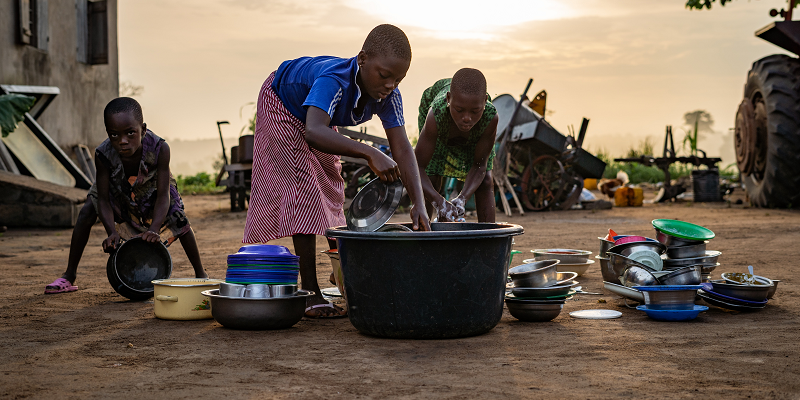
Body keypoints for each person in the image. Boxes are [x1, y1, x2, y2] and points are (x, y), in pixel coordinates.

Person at [243, 24, 431, 318]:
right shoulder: (334, 80)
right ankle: (309, 292)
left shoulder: (389, 96)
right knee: (303, 190)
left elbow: (403, 148)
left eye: (399, 79)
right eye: (384, 75)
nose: (390, 85)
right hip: (282, 103)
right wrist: (370, 153)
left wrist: (419, 203)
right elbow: (315, 131)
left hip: (314, 119)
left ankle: (340, 269)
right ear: (363, 59)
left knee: (331, 184)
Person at [45, 97, 208, 294]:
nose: (122, 141)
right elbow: (103, 199)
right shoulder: (103, 154)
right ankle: (68, 276)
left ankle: (202, 277)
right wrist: (111, 232)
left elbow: (163, 194)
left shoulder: (160, 149)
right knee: (88, 208)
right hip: (118, 188)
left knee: (179, 217)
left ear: (143, 129)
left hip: (154, 188)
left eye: (131, 133)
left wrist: (155, 228)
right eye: (114, 135)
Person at [414, 68, 498, 223]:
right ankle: (421, 234)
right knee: (431, 174)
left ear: (485, 101)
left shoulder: (489, 117)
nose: (466, 118)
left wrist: (462, 199)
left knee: (485, 179)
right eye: (459, 110)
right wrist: (440, 203)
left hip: (476, 129)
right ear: (449, 99)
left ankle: (489, 238)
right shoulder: (436, 115)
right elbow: (417, 168)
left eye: (475, 111)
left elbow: (479, 165)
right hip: (440, 120)